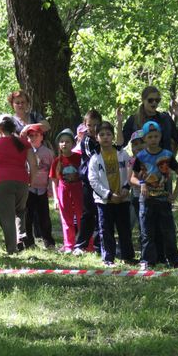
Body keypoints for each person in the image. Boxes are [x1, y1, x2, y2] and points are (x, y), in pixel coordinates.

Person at [130, 121, 178, 270]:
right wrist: (141, 184)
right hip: (146, 200)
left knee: (168, 231)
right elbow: (132, 178)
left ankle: (174, 259)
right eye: (150, 137)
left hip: (163, 199)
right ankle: (147, 260)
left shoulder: (167, 155)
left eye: (156, 136)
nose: (153, 139)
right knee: (147, 232)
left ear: (160, 136)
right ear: (145, 139)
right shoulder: (140, 156)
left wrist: (175, 193)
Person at [0, 115, 37, 254]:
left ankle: (12, 249)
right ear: (14, 128)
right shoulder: (24, 143)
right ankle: (20, 236)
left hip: (3, 182)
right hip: (22, 181)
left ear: (0, 129)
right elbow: (33, 165)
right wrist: (31, 181)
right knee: (20, 210)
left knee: (6, 216)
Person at [88, 121, 135, 266]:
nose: (105, 137)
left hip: (122, 198)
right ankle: (108, 258)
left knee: (124, 229)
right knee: (106, 230)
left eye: (108, 134)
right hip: (104, 202)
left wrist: (126, 187)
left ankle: (127, 256)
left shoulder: (122, 154)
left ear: (113, 136)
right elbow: (93, 180)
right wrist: (108, 195)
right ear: (97, 138)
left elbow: (131, 171)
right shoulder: (95, 158)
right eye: (102, 134)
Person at [116, 86, 178, 154]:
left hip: (164, 160)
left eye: (157, 100)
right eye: (150, 100)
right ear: (143, 100)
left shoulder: (166, 118)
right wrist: (119, 122)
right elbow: (120, 146)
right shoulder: (133, 120)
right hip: (143, 161)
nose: (154, 102)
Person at [21, 123, 56, 249]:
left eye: (36, 135)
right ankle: (29, 242)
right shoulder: (24, 152)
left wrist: (50, 188)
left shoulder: (48, 153)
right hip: (29, 188)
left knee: (44, 217)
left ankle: (49, 242)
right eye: (31, 135)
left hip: (42, 189)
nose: (33, 138)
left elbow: (52, 173)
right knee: (28, 216)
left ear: (42, 136)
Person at [73, 109, 102, 255]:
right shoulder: (86, 140)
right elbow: (93, 157)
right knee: (88, 212)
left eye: (96, 125)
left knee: (100, 212)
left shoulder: (102, 138)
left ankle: (99, 244)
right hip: (88, 181)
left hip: (102, 180)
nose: (92, 128)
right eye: (89, 125)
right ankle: (81, 244)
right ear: (85, 125)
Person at [52, 129, 83, 253]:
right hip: (63, 192)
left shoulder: (79, 158)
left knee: (81, 217)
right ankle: (69, 245)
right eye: (62, 141)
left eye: (67, 141)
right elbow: (54, 181)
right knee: (66, 219)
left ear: (73, 144)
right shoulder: (56, 161)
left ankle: (84, 244)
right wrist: (55, 198)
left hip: (78, 191)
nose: (64, 144)